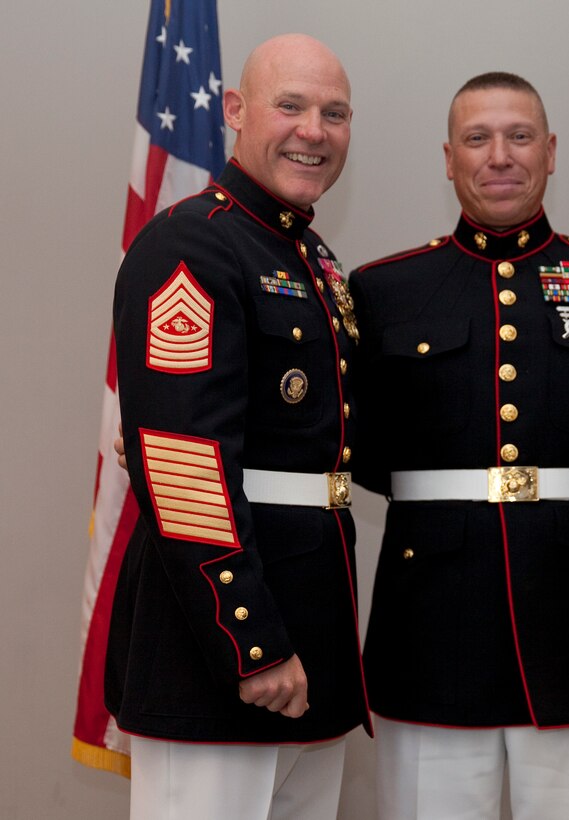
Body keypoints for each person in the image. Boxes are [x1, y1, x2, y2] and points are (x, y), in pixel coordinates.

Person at [346, 72, 569, 819]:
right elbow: (361, 446)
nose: (500, 156)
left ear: (549, 151)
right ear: (448, 157)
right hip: (429, 624)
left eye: (519, 136)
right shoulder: (385, 288)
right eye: (477, 139)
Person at [107, 34, 369, 820]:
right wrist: (247, 642)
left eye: (334, 113)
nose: (312, 131)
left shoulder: (310, 257)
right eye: (289, 105)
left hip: (310, 641)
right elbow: (185, 466)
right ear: (234, 111)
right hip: (218, 654)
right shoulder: (192, 245)